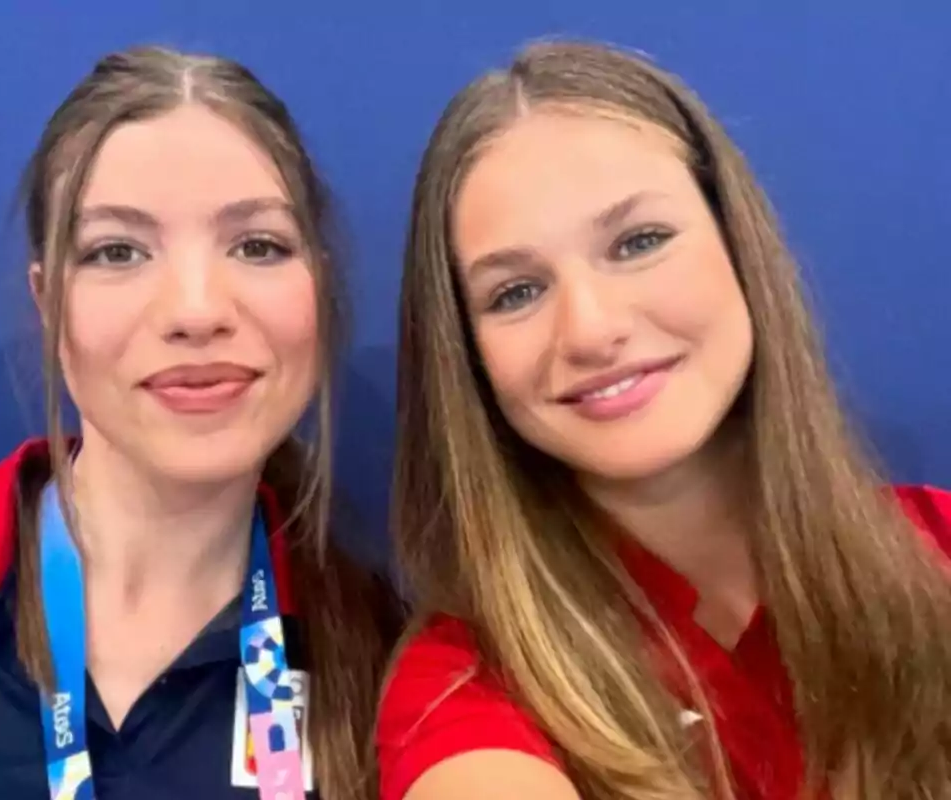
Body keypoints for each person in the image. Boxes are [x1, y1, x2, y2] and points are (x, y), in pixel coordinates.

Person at [0, 45, 401, 800]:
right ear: (48, 303)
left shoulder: (390, 662)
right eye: (117, 251)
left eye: (257, 245)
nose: (196, 311)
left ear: (318, 289)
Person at [377, 40, 951, 800]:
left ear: (738, 243)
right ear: (468, 358)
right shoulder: (462, 691)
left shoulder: (935, 545)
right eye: (515, 292)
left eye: (638, 242)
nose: (589, 329)